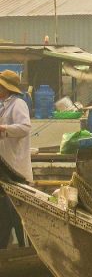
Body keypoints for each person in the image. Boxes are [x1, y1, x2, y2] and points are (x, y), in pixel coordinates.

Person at [0, 70, 31, 250]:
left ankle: (26, 250)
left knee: (17, 214)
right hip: (5, 169)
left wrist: (4, 129)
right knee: (4, 214)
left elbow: (25, 127)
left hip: (15, 170)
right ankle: (4, 249)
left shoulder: (18, 104)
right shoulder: (3, 104)